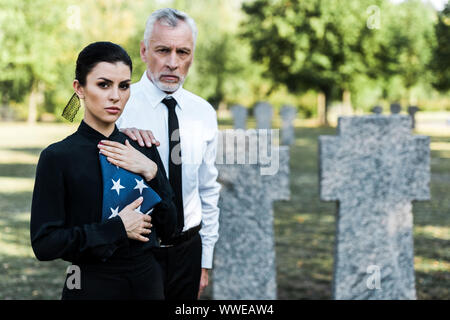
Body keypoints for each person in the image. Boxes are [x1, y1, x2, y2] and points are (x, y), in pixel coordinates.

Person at [30, 41, 177, 300]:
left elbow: (170, 229)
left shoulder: (143, 148)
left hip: (148, 284)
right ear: (80, 88)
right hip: (90, 284)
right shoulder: (58, 157)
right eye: (103, 84)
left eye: (124, 86)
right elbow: (45, 244)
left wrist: (153, 172)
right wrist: (116, 228)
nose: (115, 96)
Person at [114, 8, 221, 300]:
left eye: (183, 52)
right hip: (135, 254)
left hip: (188, 252)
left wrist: (204, 260)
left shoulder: (204, 113)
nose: (173, 63)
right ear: (144, 50)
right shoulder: (119, 106)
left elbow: (208, 189)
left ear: (192, 55)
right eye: (163, 50)